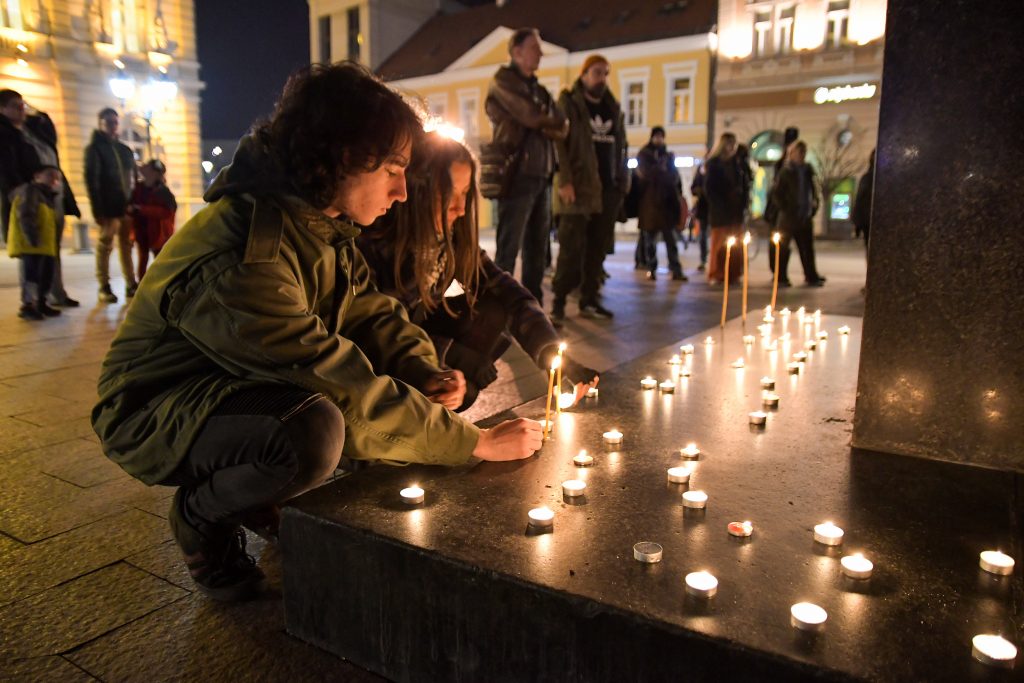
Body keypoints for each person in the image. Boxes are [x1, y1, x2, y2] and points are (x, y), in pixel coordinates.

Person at [92, 64, 542, 602]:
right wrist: (475, 443)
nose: (403, 191)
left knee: (363, 401)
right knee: (313, 430)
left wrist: (423, 368)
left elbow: (365, 312)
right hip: (153, 408)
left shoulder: (315, 223)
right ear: (344, 157)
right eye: (394, 169)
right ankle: (201, 516)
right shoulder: (247, 256)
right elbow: (334, 380)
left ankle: (259, 494)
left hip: (230, 386)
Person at [358, 131, 599, 410]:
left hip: (425, 350)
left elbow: (511, 293)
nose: (461, 208)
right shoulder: (377, 246)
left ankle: (448, 396)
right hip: (385, 367)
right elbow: (378, 332)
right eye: (449, 195)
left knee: (492, 306)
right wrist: (452, 353)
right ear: (417, 190)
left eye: (465, 194)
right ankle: (416, 407)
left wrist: (552, 354)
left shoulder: (453, 242)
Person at [484, 27, 567, 303]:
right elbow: (532, 116)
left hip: (542, 173)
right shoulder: (503, 81)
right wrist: (546, 121)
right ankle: (499, 310)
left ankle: (532, 311)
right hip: (516, 173)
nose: (541, 53)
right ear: (516, 52)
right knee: (508, 248)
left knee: (537, 249)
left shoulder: (539, 90)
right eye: (535, 48)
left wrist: (547, 121)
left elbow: (563, 126)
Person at [550, 54, 626, 321]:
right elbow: (559, 144)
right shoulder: (569, 103)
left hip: (607, 190)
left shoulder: (612, 107)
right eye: (596, 73)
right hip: (578, 188)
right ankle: (558, 301)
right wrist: (565, 181)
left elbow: (621, 147)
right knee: (571, 250)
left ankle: (589, 299)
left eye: (605, 73)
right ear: (583, 75)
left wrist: (621, 182)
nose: (602, 78)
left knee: (598, 249)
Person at [23, 103, 82, 307]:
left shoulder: (45, 144)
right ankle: (33, 301)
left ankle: (54, 293)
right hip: (34, 200)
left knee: (52, 251)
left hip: (52, 199)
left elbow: (58, 173)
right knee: (33, 254)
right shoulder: (17, 138)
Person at [85, 107, 137, 303]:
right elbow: (92, 180)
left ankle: (131, 283)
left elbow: (133, 178)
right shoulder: (95, 149)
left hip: (127, 206)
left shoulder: (124, 150)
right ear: (100, 124)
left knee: (126, 245)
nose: (112, 126)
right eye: (108, 122)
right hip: (108, 206)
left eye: (115, 122)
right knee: (105, 244)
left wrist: (134, 202)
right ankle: (104, 285)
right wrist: (97, 209)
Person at [7, 165, 63, 320]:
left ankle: (41, 303)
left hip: (45, 245)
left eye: (57, 177)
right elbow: (26, 215)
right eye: (50, 175)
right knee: (32, 277)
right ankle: (28, 306)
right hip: (33, 244)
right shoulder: (31, 191)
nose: (54, 180)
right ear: (37, 176)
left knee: (46, 275)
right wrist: (32, 238)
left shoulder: (48, 195)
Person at [770, 140, 824, 287]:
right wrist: (786, 207)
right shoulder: (786, 171)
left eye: (803, 152)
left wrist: (814, 206)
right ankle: (780, 277)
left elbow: (813, 190)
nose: (801, 155)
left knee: (807, 248)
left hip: (804, 215)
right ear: (792, 153)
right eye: (799, 152)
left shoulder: (807, 170)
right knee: (783, 249)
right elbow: (777, 193)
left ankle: (811, 275)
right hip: (789, 216)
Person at [635, 126, 686, 282]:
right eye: (656, 136)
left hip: (666, 205)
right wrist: (660, 168)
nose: (659, 139)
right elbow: (643, 175)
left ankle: (676, 269)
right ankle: (651, 268)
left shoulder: (667, 155)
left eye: (661, 136)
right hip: (649, 205)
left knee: (671, 240)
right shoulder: (644, 155)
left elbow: (675, 177)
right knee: (650, 241)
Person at [704, 133, 746, 284]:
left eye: (734, 144)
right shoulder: (714, 164)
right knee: (719, 244)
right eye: (730, 144)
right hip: (720, 211)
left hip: (736, 211)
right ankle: (716, 273)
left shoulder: (737, 164)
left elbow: (744, 185)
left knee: (736, 244)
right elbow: (710, 190)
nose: (733, 148)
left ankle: (733, 273)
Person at [0, 89, 40, 245]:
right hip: (21, 198)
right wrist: (23, 188)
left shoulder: (25, 133)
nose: (22, 110)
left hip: (33, 195)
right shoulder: (5, 134)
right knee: (29, 250)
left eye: (22, 105)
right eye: (15, 106)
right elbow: (6, 171)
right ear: (2, 109)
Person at [129, 159, 177, 280]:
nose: (144, 169)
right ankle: (143, 288)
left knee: (160, 263)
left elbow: (167, 212)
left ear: (156, 173)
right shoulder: (138, 188)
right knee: (143, 261)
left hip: (159, 234)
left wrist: (141, 209)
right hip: (142, 231)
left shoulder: (163, 192)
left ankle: (161, 286)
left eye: (148, 168)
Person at [852, 149, 875, 250]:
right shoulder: (868, 178)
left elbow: (859, 201)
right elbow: (860, 201)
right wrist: (857, 223)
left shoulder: (867, 178)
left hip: (869, 220)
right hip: (869, 221)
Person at [690, 162, 709, 272]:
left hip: (716, 207)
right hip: (703, 207)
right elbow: (693, 187)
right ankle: (703, 259)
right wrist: (699, 191)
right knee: (703, 234)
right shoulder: (702, 167)